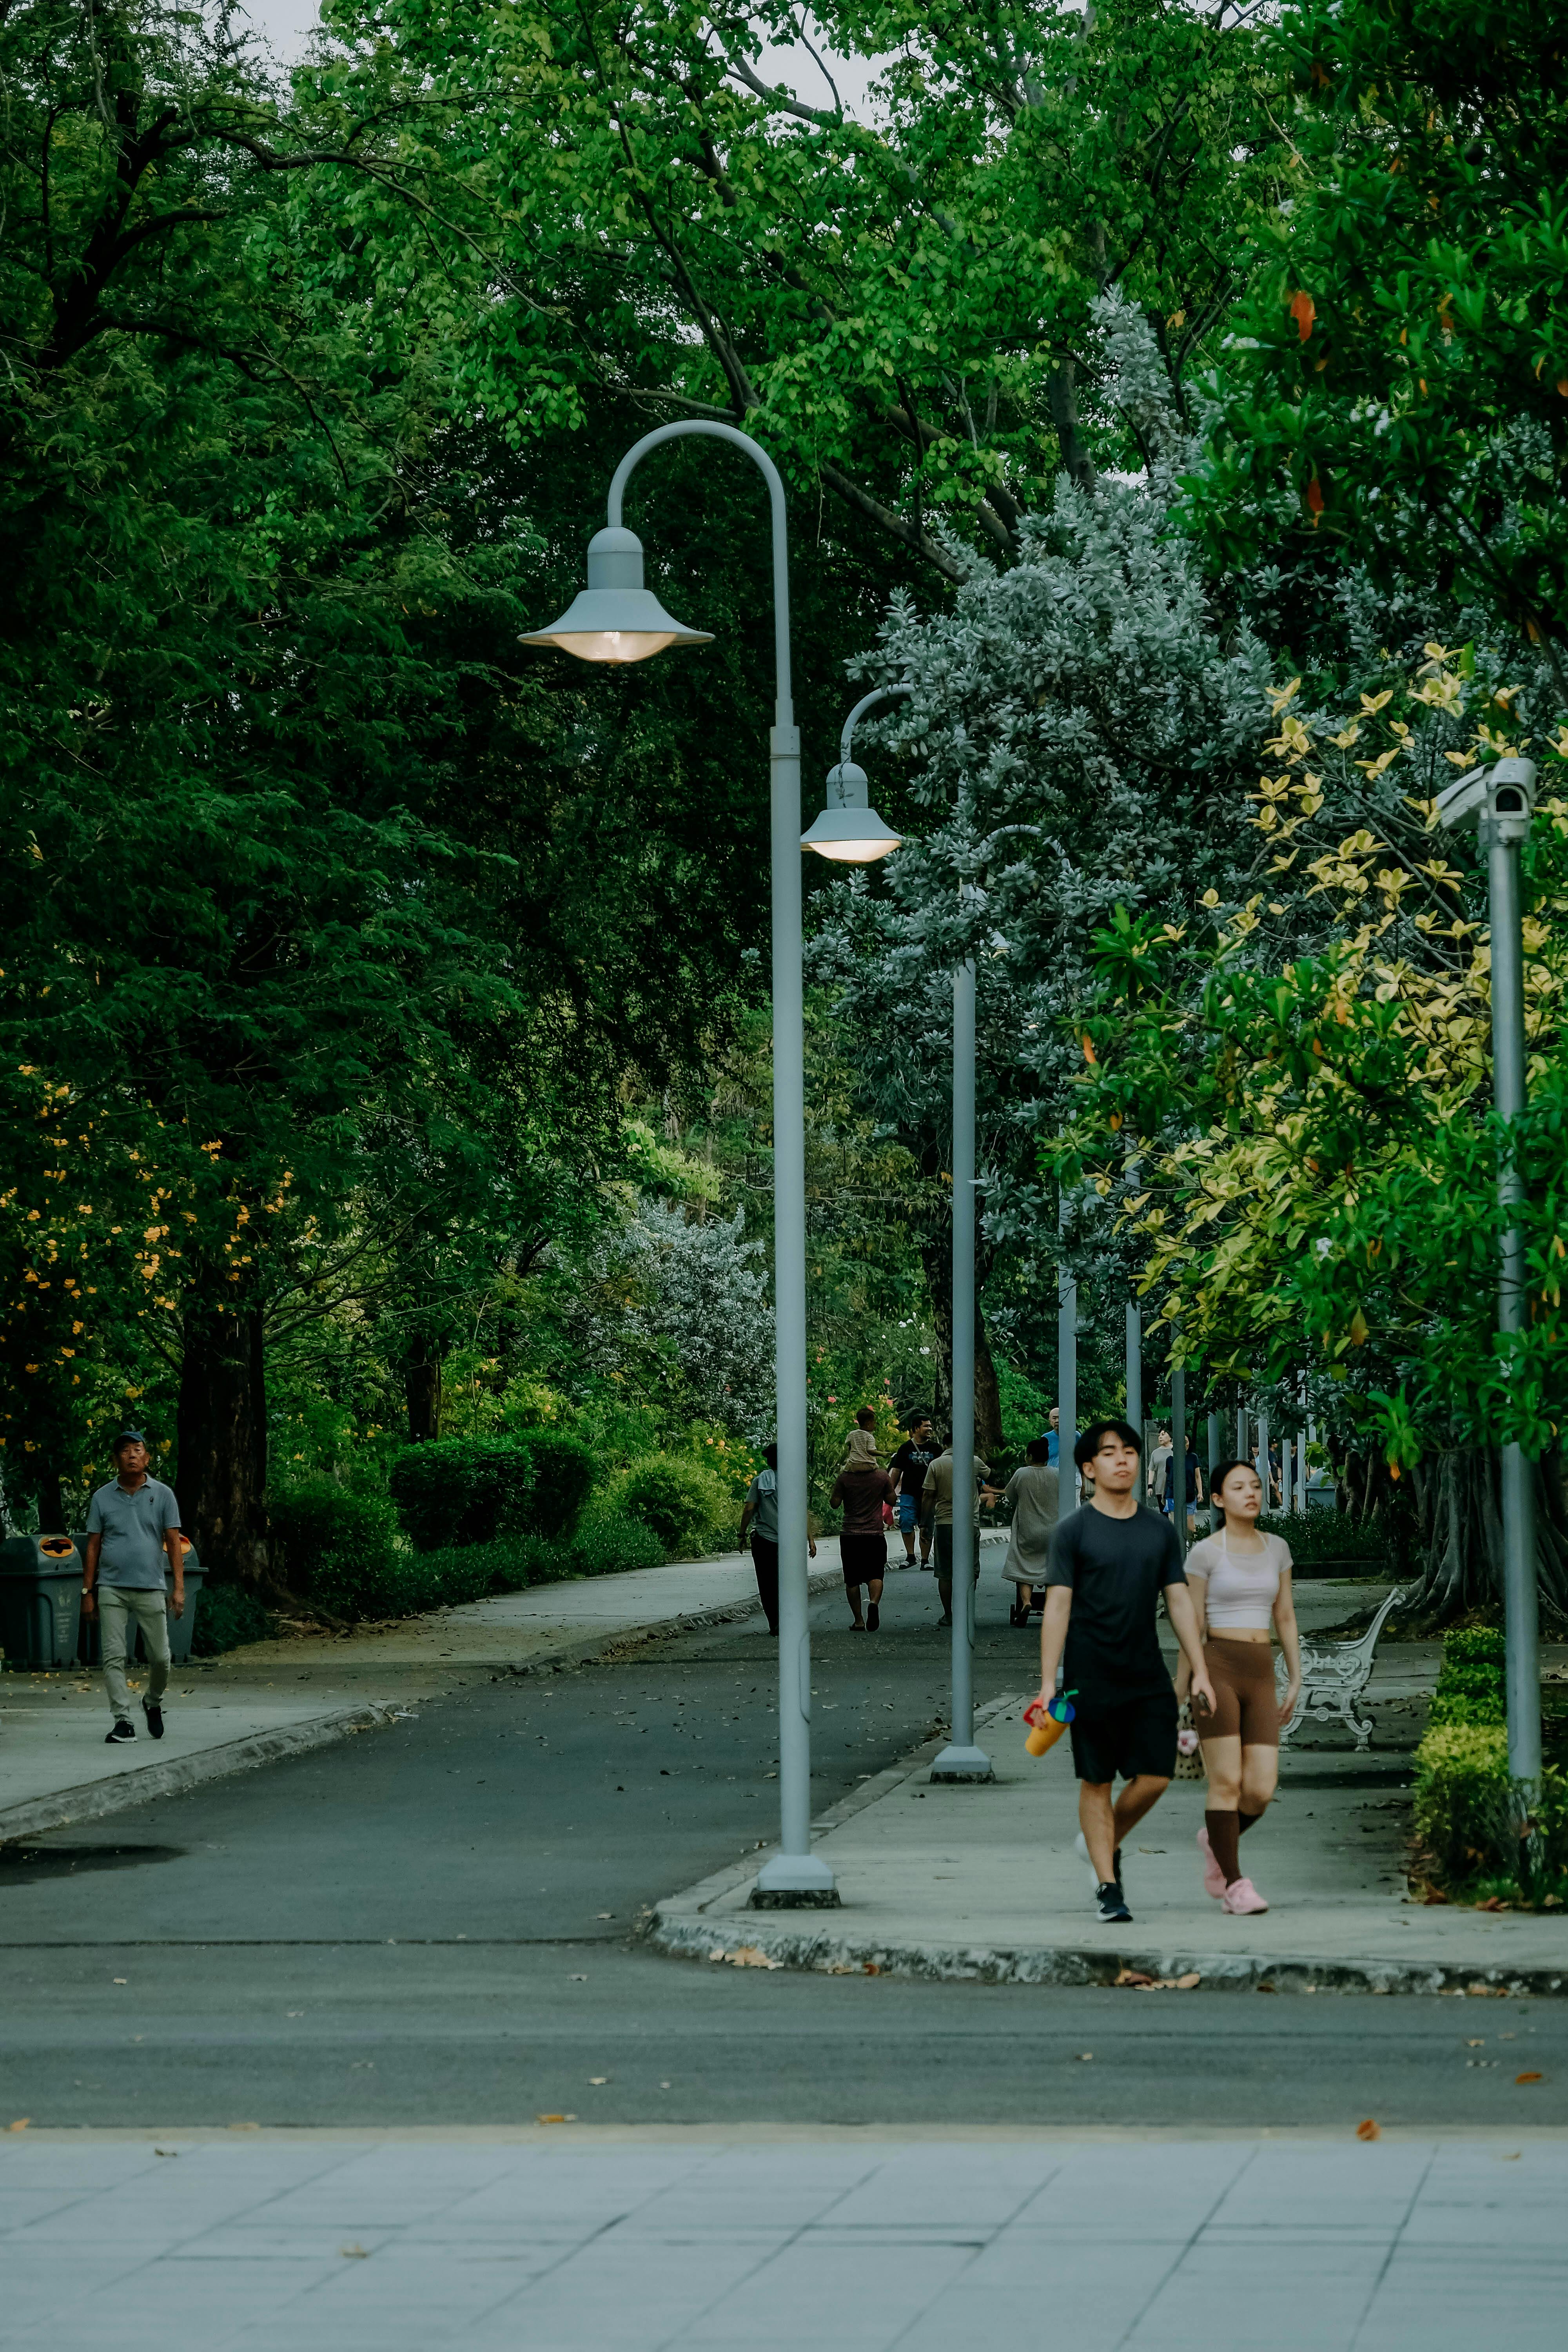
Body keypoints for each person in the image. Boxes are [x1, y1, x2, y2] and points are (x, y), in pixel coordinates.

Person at [1036, 1419, 1215, 1924]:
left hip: (1145, 1674)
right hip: (1089, 1675)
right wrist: (1049, 1682)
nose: (1123, 1459)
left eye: (1130, 1452)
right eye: (1109, 1453)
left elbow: (1179, 1602)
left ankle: (1102, 1840)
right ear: (1089, 1469)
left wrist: (1198, 1670)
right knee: (1095, 1780)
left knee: (1156, 1776)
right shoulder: (1073, 1532)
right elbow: (1056, 1609)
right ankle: (1108, 1887)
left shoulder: (1158, 1530)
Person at [1176, 1457, 1303, 1915]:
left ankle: (1215, 1840)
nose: (1250, 1493)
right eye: (1238, 1487)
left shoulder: (1277, 1549)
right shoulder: (1205, 1553)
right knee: (1226, 1781)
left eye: (1254, 1485)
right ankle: (1234, 1884)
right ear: (1217, 1499)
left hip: (1261, 1672)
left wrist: (1295, 1676)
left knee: (1260, 1790)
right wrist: (1192, 1681)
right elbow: (1191, 1623)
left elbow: (1284, 1616)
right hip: (1218, 1669)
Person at [81, 1429, 185, 1744]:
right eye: (124, 1451)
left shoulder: (163, 1494)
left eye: (137, 1450)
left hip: (151, 1587)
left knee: (161, 1658)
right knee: (114, 1657)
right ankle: (123, 1721)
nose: (131, 1455)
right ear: (116, 1460)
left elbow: (173, 1543)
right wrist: (88, 1593)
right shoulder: (101, 1497)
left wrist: (178, 1588)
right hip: (111, 1587)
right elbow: (93, 1547)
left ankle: (152, 1701)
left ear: (147, 1457)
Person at [739, 1443, 817, 1635]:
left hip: (765, 1540)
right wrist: (811, 1539)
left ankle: (776, 1623)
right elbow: (803, 1513)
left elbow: (749, 1509)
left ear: (769, 1461)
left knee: (768, 1584)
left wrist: (741, 1534)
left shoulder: (760, 1481)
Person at [920, 1432, 991, 1628]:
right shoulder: (974, 1461)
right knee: (970, 1570)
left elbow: (927, 1496)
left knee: (945, 1572)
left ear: (945, 1445)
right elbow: (990, 1475)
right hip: (970, 1524)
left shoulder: (936, 1465)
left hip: (945, 1523)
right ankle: (966, 1614)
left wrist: (925, 1524)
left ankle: (949, 1615)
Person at [990, 1437, 1059, 1626]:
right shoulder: (1057, 1474)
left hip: (1028, 1530)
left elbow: (1011, 1496)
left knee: (1023, 1567)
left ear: (1029, 1457)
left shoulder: (1022, 1474)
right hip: (1053, 1531)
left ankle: (1027, 1603)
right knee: (1051, 1570)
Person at [830, 1436, 895, 1632]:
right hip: (874, 1535)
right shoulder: (882, 1476)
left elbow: (834, 1504)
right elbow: (891, 1500)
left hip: (850, 1534)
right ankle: (873, 1603)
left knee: (852, 1579)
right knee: (875, 1574)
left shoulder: (845, 1478)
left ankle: (859, 1621)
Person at [887, 1413, 938, 1569]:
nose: (929, 1429)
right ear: (916, 1428)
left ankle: (925, 1560)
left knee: (927, 1526)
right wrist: (888, 1492)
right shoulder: (905, 1448)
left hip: (930, 1494)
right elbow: (896, 1471)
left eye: (930, 1426)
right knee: (906, 1522)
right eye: (926, 1426)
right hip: (909, 1493)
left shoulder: (936, 1449)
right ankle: (910, 1557)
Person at [1148, 1427, 1172, 1511]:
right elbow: (1152, 1470)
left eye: (1163, 1434)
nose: (1160, 1437)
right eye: (1159, 1436)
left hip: (1173, 1488)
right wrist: (1150, 1486)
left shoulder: (1176, 1451)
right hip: (1160, 1488)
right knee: (1164, 1513)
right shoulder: (1155, 1453)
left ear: (1170, 1437)